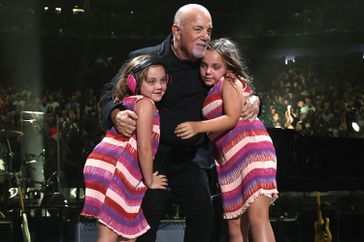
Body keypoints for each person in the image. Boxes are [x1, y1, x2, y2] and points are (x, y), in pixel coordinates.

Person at [100, 4, 260, 242]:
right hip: (150, 156)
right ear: (176, 30)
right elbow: (108, 92)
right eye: (198, 29)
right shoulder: (145, 58)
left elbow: (237, 82)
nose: (206, 36)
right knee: (146, 220)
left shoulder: (208, 63)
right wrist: (114, 114)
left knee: (203, 216)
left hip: (190, 156)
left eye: (209, 30)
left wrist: (255, 100)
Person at [175, 38, 278, 242]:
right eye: (204, 65)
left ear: (228, 66)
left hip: (251, 152)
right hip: (228, 161)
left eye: (215, 67)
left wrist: (197, 127)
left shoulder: (229, 80)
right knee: (235, 227)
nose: (207, 71)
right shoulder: (211, 88)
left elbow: (231, 119)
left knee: (258, 218)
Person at [81, 55, 169, 242]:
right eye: (151, 81)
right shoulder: (146, 104)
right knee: (108, 235)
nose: (159, 86)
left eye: (163, 80)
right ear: (133, 82)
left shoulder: (132, 101)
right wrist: (150, 180)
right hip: (115, 170)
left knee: (129, 235)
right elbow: (144, 147)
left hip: (111, 167)